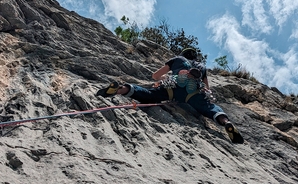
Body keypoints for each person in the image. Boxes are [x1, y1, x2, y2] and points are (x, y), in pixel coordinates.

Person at [96, 47, 244, 144]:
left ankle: (121, 89)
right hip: (192, 93)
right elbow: (207, 89)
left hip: (172, 87)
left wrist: (162, 80)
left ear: (183, 55)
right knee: (209, 107)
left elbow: (155, 75)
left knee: (148, 94)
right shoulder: (202, 67)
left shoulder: (177, 60)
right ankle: (225, 122)